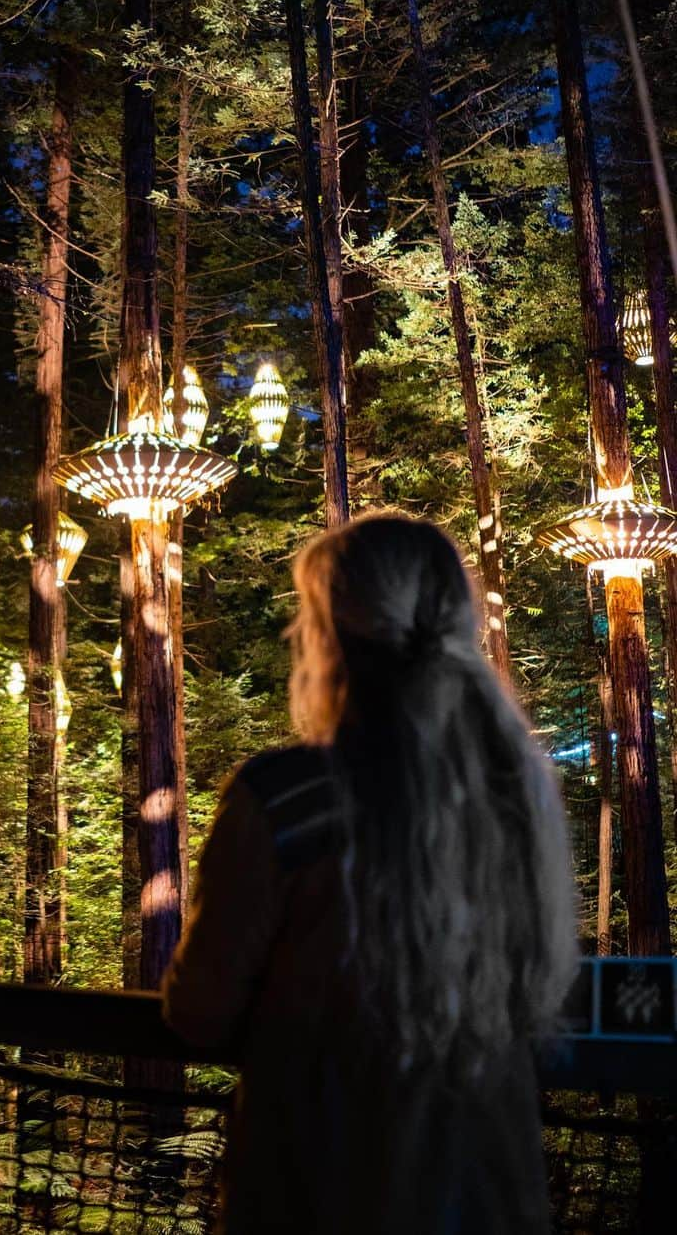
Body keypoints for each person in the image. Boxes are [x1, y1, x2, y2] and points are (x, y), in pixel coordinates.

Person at [162, 512, 579, 1234]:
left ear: (329, 635)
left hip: (318, 1191)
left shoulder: (283, 798)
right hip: (490, 1191)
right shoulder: (515, 795)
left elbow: (200, 1009)